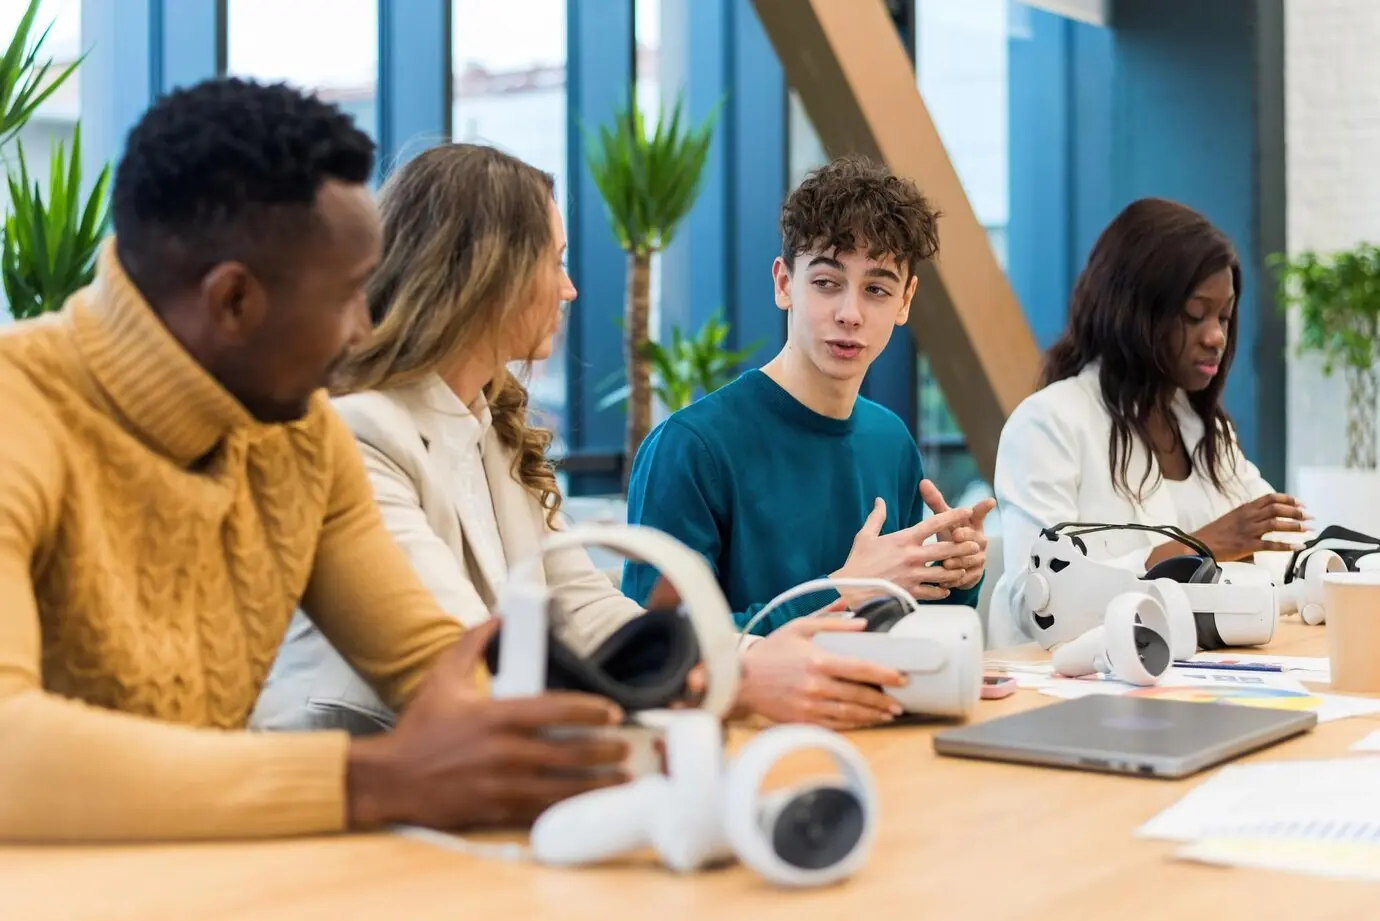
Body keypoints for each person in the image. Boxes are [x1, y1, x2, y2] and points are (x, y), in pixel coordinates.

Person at [0, 78, 632, 844]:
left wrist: (617, 724)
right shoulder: (20, 414)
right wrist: (374, 779)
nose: (365, 330)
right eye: (346, 296)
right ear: (233, 301)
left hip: (213, 878)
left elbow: (435, 661)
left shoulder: (301, 438)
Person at [252, 143, 924, 734]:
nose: (570, 289)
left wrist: (745, 658)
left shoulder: (494, 438)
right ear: (485, 275)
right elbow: (468, 658)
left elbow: (593, 612)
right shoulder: (362, 435)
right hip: (356, 788)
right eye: (556, 261)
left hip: (467, 780)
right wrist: (737, 681)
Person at [621, 155, 994, 727]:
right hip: (739, 749)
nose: (849, 314)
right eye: (826, 283)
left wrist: (953, 577)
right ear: (783, 284)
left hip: (875, 732)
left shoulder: (890, 439)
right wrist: (839, 589)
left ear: (905, 302)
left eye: (876, 288)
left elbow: (895, 625)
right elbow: (657, 654)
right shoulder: (690, 447)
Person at [988, 197, 1307, 648]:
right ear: (1133, 311)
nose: (1216, 336)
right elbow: (1037, 602)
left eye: (1224, 315)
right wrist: (1198, 548)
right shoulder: (1048, 424)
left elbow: (1282, 553)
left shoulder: (1205, 431)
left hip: (1196, 681)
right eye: (1195, 315)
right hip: (1068, 692)